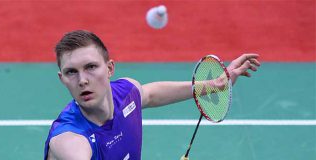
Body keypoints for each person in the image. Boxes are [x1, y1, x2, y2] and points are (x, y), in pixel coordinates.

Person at [44, 30, 260, 160]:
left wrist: (214, 85)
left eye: (91, 67)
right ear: (62, 78)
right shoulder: (70, 140)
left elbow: (150, 94)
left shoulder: (126, 92)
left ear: (109, 69)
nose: (82, 80)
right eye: (71, 72)